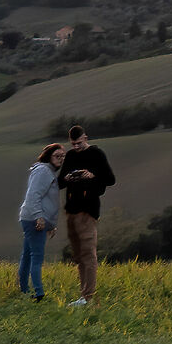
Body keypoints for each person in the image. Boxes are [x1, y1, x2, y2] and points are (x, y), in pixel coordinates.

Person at [56, 124, 117, 308]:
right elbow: (59, 183)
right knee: (78, 255)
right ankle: (83, 296)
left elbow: (110, 179)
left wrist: (92, 176)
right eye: (73, 144)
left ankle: (88, 297)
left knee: (88, 253)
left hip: (88, 209)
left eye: (79, 143)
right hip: (71, 209)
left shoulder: (97, 154)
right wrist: (67, 178)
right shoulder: (71, 156)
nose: (76, 147)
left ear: (86, 138)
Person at [17, 142, 62, 301]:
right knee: (36, 257)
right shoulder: (43, 171)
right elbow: (33, 196)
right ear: (48, 156)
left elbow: (45, 201)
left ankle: (24, 291)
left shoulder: (46, 171)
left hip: (32, 218)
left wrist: (50, 224)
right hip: (34, 219)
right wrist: (40, 218)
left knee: (28, 255)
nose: (60, 159)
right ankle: (38, 293)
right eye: (57, 156)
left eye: (62, 156)